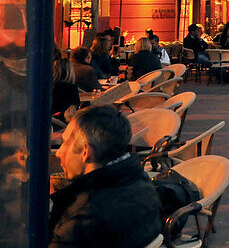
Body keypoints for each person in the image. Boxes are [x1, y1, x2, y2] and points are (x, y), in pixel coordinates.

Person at [50, 106, 162, 248]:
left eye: (65, 143)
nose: (59, 152)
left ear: (85, 152)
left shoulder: (84, 219)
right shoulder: (139, 180)